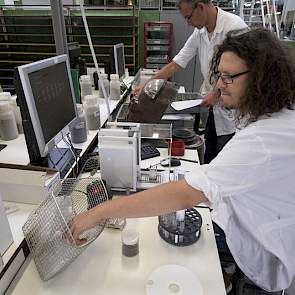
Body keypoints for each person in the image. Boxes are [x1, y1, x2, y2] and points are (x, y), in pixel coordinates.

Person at [70, 29, 295, 292]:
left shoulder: (264, 139)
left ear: (261, 78)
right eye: (218, 75)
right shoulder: (277, 115)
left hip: (270, 249)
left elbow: (186, 194)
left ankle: (229, 276)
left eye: (228, 77)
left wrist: (97, 213)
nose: (220, 85)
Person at [136, 0, 248, 163]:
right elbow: (177, 63)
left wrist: (217, 94)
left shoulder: (234, 28)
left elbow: (242, 72)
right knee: (210, 153)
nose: (188, 23)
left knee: (226, 158)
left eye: (188, 17)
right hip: (214, 107)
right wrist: (147, 84)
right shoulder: (201, 32)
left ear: (201, 7)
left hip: (234, 110)